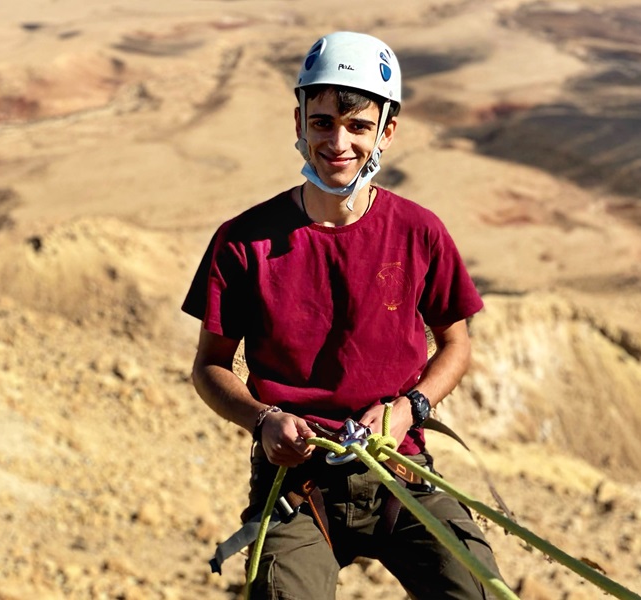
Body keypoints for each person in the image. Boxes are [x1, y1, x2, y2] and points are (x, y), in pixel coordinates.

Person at [182, 31, 504, 599]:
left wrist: (410, 409)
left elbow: (456, 343)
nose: (338, 142)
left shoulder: (419, 232)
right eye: (323, 122)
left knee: (476, 588)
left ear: (387, 132)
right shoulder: (242, 241)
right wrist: (263, 420)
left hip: (398, 469)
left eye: (358, 126)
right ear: (300, 122)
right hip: (295, 484)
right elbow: (210, 366)